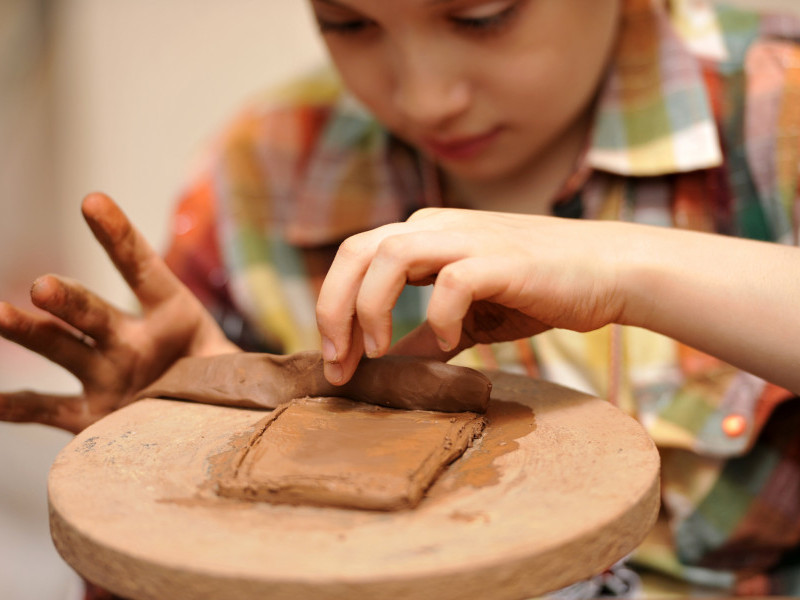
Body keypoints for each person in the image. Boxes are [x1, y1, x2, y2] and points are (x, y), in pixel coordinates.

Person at [2, 0, 800, 596]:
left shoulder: (776, 116)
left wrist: (627, 266)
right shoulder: (268, 168)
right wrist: (171, 487)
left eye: (481, 15)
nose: (424, 97)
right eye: (348, 22)